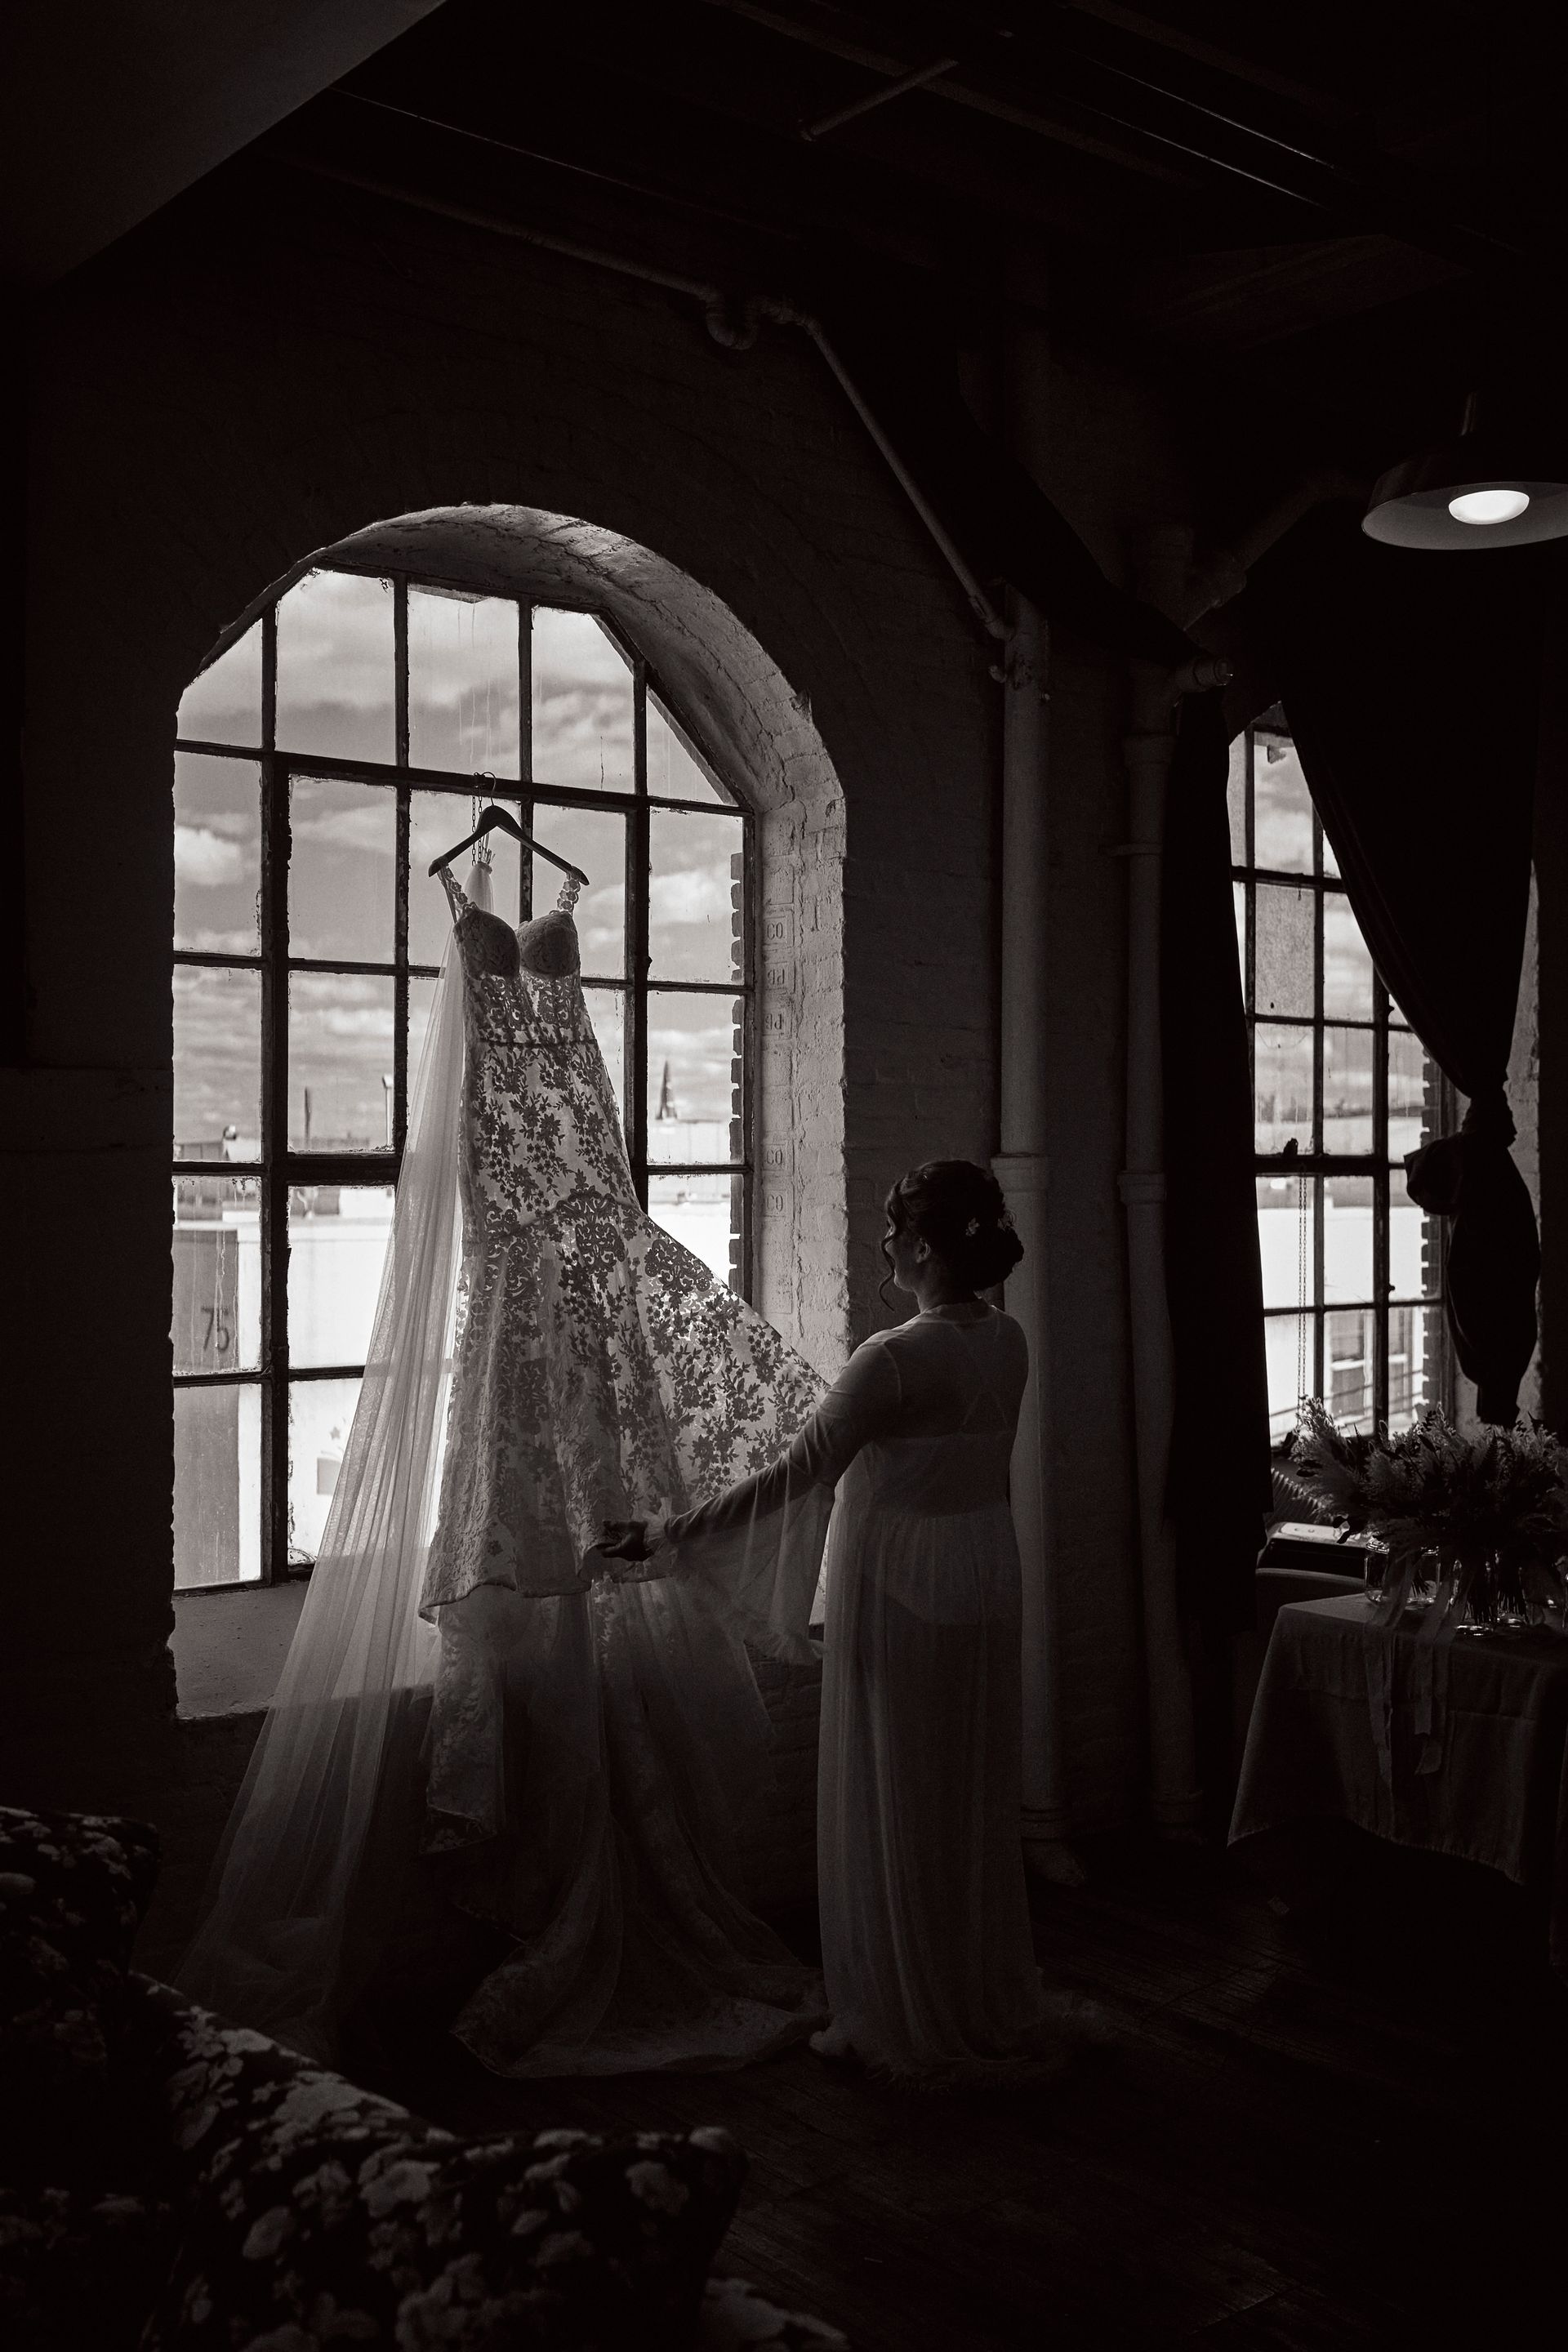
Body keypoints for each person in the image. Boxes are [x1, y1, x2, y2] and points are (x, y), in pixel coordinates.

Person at [604, 1159, 1077, 2087]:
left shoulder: (892, 1359)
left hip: (901, 1575)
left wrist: (667, 1534)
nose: (884, 1246)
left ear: (928, 1247)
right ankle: (971, 1983)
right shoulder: (1010, 1339)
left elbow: (793, 1477)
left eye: (895, 1231)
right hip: (985, 1564)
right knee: (967, 1787)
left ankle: (904, 2001)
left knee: (896, 1786)